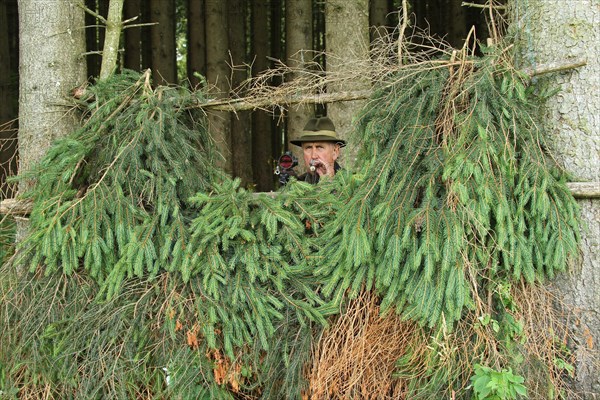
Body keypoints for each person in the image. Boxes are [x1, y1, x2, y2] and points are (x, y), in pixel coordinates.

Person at [290, 116, 346, 184]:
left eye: (320, 147)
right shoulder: (296, 187)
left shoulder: (353, 185)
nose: (314, 156)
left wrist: (330, 184)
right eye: (308, 148)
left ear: (335, 152)